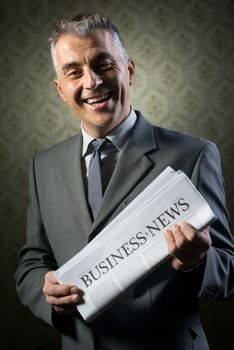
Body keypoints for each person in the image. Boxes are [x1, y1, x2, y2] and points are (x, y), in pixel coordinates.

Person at [15, 13, 234, 350]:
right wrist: (46, 293)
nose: (92, 82)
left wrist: (199, 262)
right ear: (60, 89)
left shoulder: (194, 154)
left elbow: (229, 271)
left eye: (103, 65)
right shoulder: (42, 166)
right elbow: (33, 261)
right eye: (74, 72)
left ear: (129, 70)